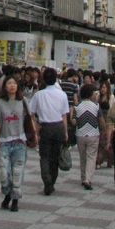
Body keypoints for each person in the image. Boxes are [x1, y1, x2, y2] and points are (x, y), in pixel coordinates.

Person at [0, 75, 33, 211]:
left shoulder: (23, 101)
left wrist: (35, 135)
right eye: (9, 83)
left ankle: (15, 199)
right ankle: (7, 194)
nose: (12, 86)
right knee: (3, 172)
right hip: (4, 141)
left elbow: (29, 119)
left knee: (17, 172)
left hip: (20, 142)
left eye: (14, 83)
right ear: (5, 86)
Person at [29, 67, 69, 195]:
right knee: (55, 157)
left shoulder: (38, 95)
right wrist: (66, 132)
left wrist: (36, 128)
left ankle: (46, 180)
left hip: (45, 127)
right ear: (56, 79)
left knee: (44, 156)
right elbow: (64, 116)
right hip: (58, 127)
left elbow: (31, 113)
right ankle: (52, 182)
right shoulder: (62, 95)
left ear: (44, 80)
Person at [74, 83, 104, 190]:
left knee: (82, 157)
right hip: (93, 135)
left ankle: (83, 178)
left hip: (80, 135)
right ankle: (88, 179)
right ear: (91, 94)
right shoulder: (96, 106)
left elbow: (73, 122)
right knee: (91, 157)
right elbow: (101, 122)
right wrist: (103, 130)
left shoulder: (77, 106)